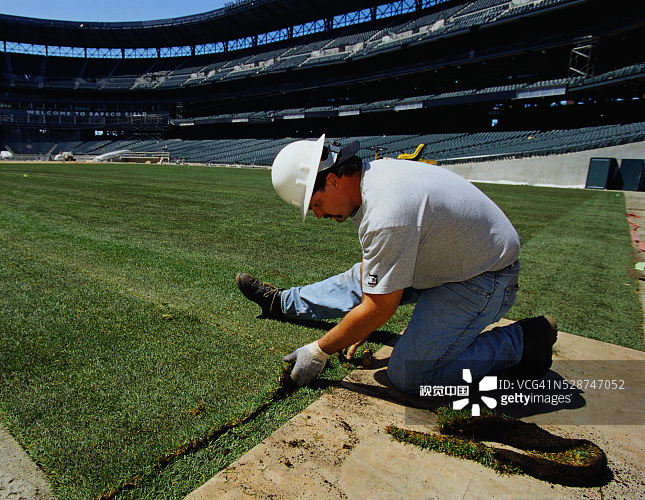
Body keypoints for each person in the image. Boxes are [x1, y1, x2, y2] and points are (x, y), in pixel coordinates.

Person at [237, 134, 557, 392]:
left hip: (483, 278)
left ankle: (523, 341)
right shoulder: (377, 176)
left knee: (411, 378)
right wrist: (363, 319)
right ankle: (281, 303)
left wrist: (319, 350)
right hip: (450, 259)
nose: (319, 215)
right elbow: (374, 297)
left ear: (333, 180)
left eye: (316, 204)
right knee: (358, 280)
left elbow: (379, 307)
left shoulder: (385, 214)